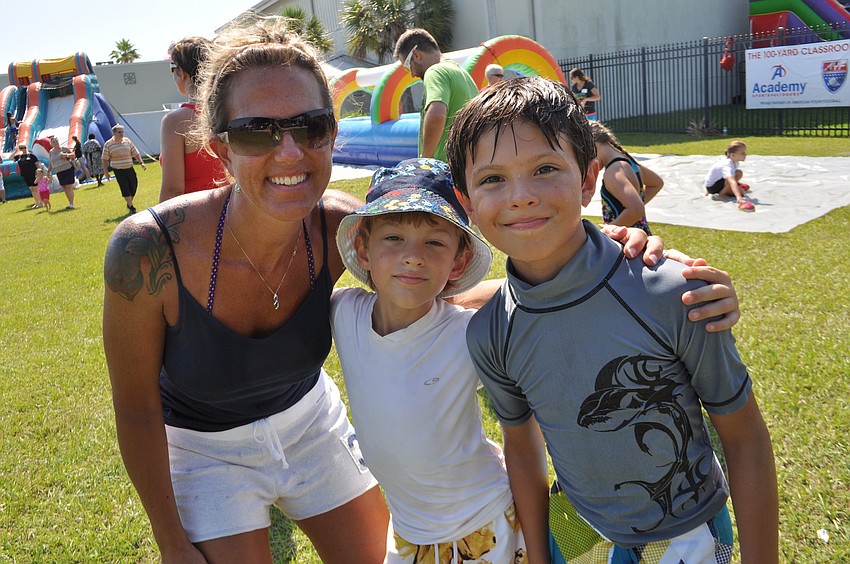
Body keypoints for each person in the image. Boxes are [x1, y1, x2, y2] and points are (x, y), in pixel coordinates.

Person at [102, 16, 738, 563]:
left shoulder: (339, 227)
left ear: (332, 133)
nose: (290, 151)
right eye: (256, 131)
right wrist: (170, 539)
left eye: (311, 125)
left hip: (310, 427)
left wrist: (621, 256)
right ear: (219, 148)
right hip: (207, 451)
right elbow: (135, 408)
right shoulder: (147, 251)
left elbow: (436, 298)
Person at [446, 77, 778, 563]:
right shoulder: (489, 333)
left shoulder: (673, 291)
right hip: (577, 536)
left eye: (544, 169)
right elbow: (522, 448)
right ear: (467, 203)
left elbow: (744, 438)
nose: (521, 196)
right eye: (493, 178)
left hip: (690, 538)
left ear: (587, 181)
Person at [332, 158, 527, 563]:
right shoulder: (343, 312)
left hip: (485, 525)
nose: (413, 257)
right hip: (408, 533)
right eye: (393, 238)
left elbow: (534, 294)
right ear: (364, 249)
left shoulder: (469, 334)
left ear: (458, 261)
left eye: (435, 243)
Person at [394, 28, 478, 162]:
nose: (412, 74)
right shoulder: (462, 73)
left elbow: (437, 114)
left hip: (444, 167)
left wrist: (426, 159)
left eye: (408, 66)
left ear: (416, 55)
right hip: (465, 164)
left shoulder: (435, 72)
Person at [159, 36, 226, 202]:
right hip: (234, 210)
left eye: (172, 69)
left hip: (196, 214)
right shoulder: (229, 111)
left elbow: (173, 191)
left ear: (182, 72)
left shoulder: (175, 121)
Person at [590, 121, 663, 234]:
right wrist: (634, 203)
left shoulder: (613, 172)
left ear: (594, 144)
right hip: (642, 235)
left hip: (627, 240)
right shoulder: (627, 162)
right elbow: (656, 183)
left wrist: (606, 232)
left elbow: (636, 209)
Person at [102, 124, 146, 214]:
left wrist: (141, 162)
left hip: (129, 167)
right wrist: (106, 172)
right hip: (118, 169)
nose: (121, 134)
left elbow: (135, 152)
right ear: (114, 133)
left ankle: (129, 201)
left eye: (122, 132)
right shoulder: (108, 144)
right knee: (124, 187)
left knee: (133, 185)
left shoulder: (127, 141)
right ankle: (131, 206)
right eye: (119, 132)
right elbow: (105, 159)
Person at [704, 140, 754, 212]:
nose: (745, 155)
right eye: (742, 153)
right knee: (740, 188)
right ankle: (721, 195)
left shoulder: (734, 161)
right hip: (713, 187)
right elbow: (731, 181)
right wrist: (739, 197)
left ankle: (734, 187)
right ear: (733, 155)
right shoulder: (727, 165)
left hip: (713, 184)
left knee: (738, 173)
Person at [48, 136, 76, 209]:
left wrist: (66, 155)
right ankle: (69, 202)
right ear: (51, 144)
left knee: (69, 186)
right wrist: (48, 171)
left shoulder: (64, 149)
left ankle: (71, 203)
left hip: (67, 169)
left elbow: (73, 155)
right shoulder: (51, 152)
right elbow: (51, 163)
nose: (56, 143)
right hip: (59, 171)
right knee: (64, 187)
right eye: (54, 142)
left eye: (56, 141)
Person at [15, 144, 43, 208]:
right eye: (21, 148)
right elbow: (10, 158)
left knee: (36, 188)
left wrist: (39, 173)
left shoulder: (31, 156)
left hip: (33, 173)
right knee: (32, 189)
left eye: (24, 148)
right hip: (25, 174)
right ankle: (37, 202)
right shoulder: (19, 157)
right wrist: (15, 151)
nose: (23, 149)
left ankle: (40, 202)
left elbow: (37, 164)